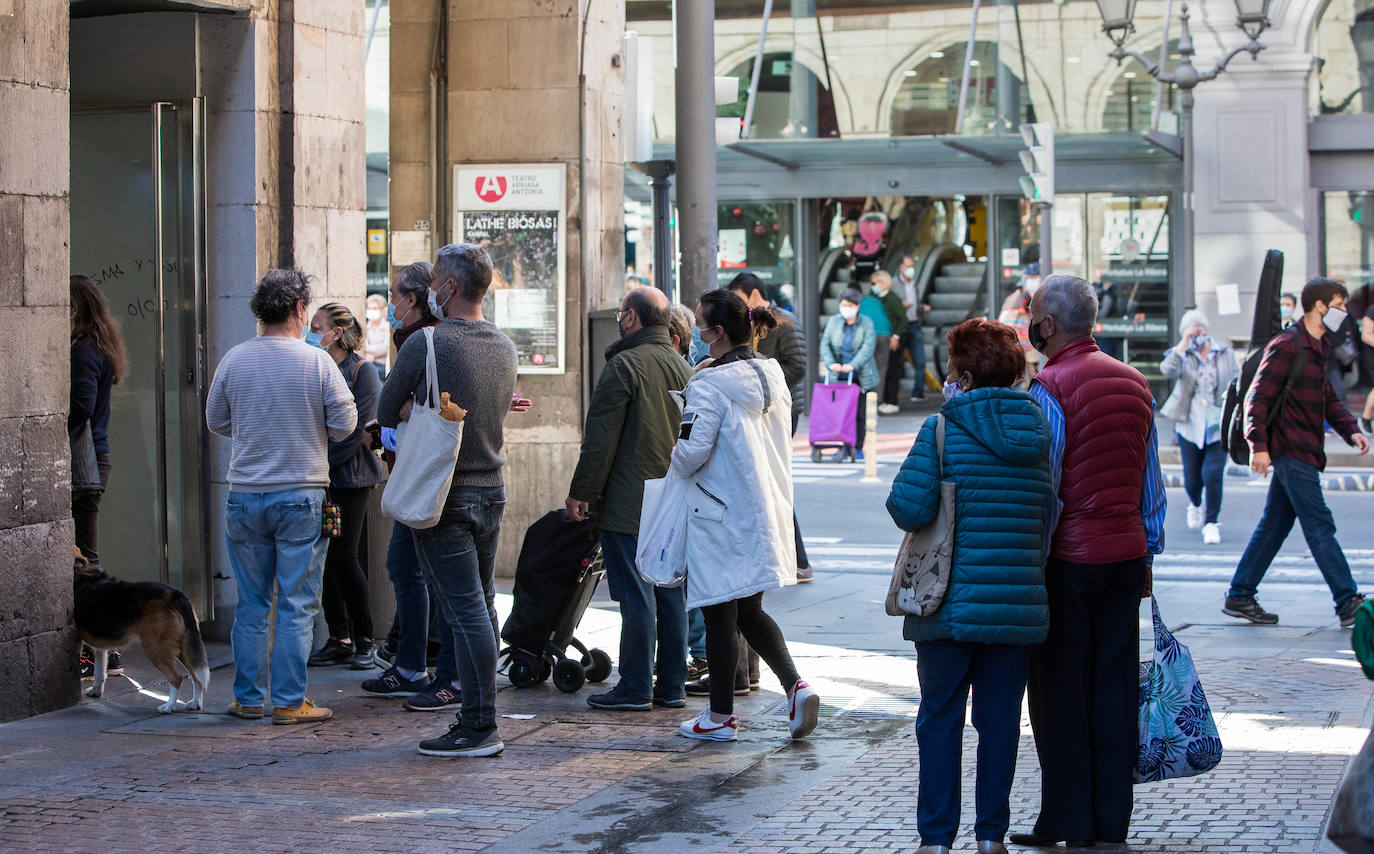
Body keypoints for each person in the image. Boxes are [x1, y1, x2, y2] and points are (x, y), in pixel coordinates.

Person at [888, 318, 1054, 854]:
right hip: (1016, 605)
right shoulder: (1038, 432)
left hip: (947, 605)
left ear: (960, 373)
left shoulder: (941, 428)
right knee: (1000, 725)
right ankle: (991, 837)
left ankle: (936, 839)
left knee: (939, 721)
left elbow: (908, 507)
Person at [1011, 274, 1165, 849]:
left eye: (1032, 316)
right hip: (1124, 557)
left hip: (1068, 562)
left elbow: (1046, 486)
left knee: (1059, 694)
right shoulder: (1135, 382)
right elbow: (1152, 484)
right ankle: (1110, 824)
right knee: (1113, 689)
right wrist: (1148, 549)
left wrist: (1038, 559)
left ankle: (1066, 823)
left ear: (1047, 325)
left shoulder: (1049, 386)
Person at [377, 243, 519, 757]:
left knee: (466, 613)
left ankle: (480, 725)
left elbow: (386, 407)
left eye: (435, 278)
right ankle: (475, 717)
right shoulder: (504, 345)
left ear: (451, 288)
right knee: (479, 604)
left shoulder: (429, 344)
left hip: (446, 496)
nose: (431, 287)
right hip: (491, 491)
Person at [206, 270, 358, 725]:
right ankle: (290, 701)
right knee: (297, 603)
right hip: (301, 495)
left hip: (246, 495)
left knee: (253, 604)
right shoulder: (316, 363)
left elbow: (217, 419)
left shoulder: (235, 359)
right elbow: (345, 424)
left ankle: (247, 698)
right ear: (298, 310)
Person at [671, 288, 820, 743]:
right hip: (764, 509)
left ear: (717, 333)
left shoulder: (710, 385)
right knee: (749, 609)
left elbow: (689, 454)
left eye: (699, 323)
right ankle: (795, 685)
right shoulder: (771, 375)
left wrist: (687, 403)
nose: (695, 330)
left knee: (719, 613)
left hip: (719, 514)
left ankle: (719, 717)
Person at [566, 287, 691, 712]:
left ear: (633, 318)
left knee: (636, 596)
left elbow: (600, 441)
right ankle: (671, 685)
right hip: (672, 499)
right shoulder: (683, 366)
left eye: (622, 313)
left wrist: (582, 492)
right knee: (670, 593)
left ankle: (636, 685)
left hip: (629, 501)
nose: (619, 319)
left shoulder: (624, 365)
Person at [1223, 277, 1371, 628]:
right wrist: (1259, 446)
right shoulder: (1287, 344)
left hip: (1304, 447)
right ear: (1320, 306)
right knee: (1319, 524)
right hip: (1290, 450)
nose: (1344, 312)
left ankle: (1240, 594)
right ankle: (1347, 600)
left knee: (1274, 525)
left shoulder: (1318, 344)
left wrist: (1350, 429)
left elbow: (1327, 398)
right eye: (1339, 304)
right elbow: (1256, 399)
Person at [304, 303, 383, 670]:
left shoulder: (362, 372)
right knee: (325, 559)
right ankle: (340, 637)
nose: (311, 331)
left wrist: (321, 462)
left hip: (349, 481)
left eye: (317, 326)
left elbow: (358, 433)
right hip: (322, 480)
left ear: (336, 332)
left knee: (344, 557)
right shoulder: (315, 367)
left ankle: (364, 638)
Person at [727, 273, 813, 583]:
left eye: (738, 296)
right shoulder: (750, 322)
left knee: (772, 482)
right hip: (762, 410)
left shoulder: (784, 320)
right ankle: (781, 557)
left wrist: (763, 375)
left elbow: (798, 365)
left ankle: (798, 559)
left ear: (753, 294)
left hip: (781, 411)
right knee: (763, 483)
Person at [70, 274, 131, 681]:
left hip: (85, 462)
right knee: (86, 555)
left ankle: (102, 648)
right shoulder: (99, 347)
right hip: (94, 459)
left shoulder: (83, 351)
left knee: (87, 560)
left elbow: (81, 408)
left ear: (76, 308)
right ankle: (103, 648)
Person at [1159, 310, 1237, 545]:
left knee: (1213, 473)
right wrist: (1183, 343)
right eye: (1192, 332)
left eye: (1199, 331)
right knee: (1192, 479)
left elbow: (1236, 379)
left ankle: (1211, 522)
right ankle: (1195, 503)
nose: (1197, 336)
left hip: (1218, 423)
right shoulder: (1183, 354)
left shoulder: (1223, 352)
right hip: (1190, 423)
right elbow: (1167, 370)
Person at [819, 288, 879, 461]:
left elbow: (867, 348)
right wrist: (832, 364)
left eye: (850, 305)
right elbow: (825, 344)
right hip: (838, 375)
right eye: (844, 305)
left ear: (858, 306)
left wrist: (852, 366)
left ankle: (858, 446)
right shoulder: (834, 322)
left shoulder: (866, 323)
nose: (846, 308)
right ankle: (842, 445)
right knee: (840, 413)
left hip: (859, 375)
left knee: (859, 413)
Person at [871, 270, 910, 413]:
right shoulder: (874, 298)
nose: (873, 286)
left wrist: (896, 336)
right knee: (881, 370)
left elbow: (903, 319)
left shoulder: (893, 299)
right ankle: (881, 400)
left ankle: (891, 401)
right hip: (878, 338)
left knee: (892, 370)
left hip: (891, 339)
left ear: (883, 282)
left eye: (875, 283)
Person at [998, 263, 1041, 384]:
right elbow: (1005, 325)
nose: (1033, 282)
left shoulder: (1039, 297)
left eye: (1036, 278)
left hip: (1034, 349)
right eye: (1030, 278)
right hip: (1025, 350)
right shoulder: (1015, 299)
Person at [898, 255, 929, 402]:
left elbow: (916, 304)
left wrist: (922, 308)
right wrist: (900, 305)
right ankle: (891, 395)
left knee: (920, 360)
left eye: (913, 266)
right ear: (901, 267)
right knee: (895, 361)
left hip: (914, 324)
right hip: (900, 327)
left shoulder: (914, 285)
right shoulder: (893, 283)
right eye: (909, 266)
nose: (911, 270)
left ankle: (918, 392)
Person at [859, 277, 895, 404]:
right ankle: (877, 401)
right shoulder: (876, 300)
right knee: (881, 368)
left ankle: (866, 399)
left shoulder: (858, 302)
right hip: (885, 334)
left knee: (866, 366)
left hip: (870, 335)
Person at [363, 292, 389, 379]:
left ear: (382, 310)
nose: (371, 311)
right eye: (369, 308)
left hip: (383, 368)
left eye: (374, 308)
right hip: (369, 366)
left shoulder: (387, 326)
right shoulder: (365, 327)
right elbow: (362, 345)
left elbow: (385, 347)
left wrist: (369, 352)